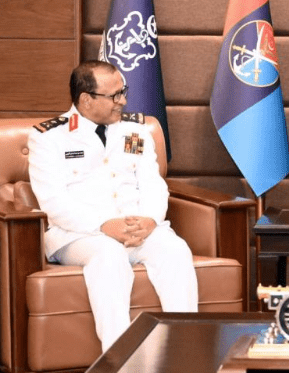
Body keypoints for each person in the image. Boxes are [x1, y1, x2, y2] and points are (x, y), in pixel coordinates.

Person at [28, 60, 198, 352]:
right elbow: (53, 201)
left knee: (175, 251)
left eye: (124, 92)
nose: (123, 100)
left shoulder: (135, 131)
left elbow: (153, 183)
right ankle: (120, 360)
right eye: (114, 95)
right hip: (80, 235)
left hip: (137, 227)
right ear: (86, 99)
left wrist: (150, 220)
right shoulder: (49, 138)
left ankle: (182, 354)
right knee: (109, 257)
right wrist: (104, 226)